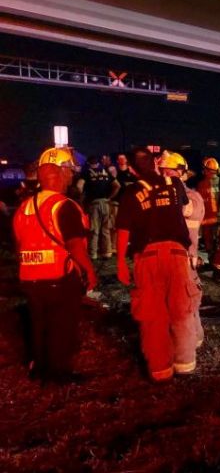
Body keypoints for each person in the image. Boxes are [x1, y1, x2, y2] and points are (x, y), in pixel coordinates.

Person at [13, 147, 97, 382]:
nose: (71, 175)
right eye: (69, 170)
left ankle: (38, 366)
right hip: (59, 276)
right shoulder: (63, 205)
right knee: (62, 326)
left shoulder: (25, 207)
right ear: (59, 173)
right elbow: (75, 246)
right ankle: (58, 373)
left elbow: (19, 244)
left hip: (30, 276)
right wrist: (89, 271)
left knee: (38, 323)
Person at [116, 147, 198, 382]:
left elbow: (123, 229)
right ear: (154, 162)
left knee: (153, 315)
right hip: (177, 254)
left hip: (147, 257)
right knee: (181, 309)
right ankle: (184, 364)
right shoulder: (175, 184)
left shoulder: (131, 193)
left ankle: (160, 370)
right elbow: (183, 209)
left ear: (131, 169)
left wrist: (121, 262)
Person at [159, 151, 205, 348]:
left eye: (168, 172)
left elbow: (183, 210)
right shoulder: (161, 194)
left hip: (185, 259)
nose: (164, 176)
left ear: (180, 173)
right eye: (162, 171)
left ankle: (191, 344)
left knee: (186, 304)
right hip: (167, 258)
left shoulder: (192, 197)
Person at [76, 155, 119, 260]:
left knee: (94, 229)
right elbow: (117, 185)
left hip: (94, 203)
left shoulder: (86, 173)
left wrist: (81, 196)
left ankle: (93, 254)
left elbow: (79, 186)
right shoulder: (105, 171)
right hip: (106, 203)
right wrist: (110, 197)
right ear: (98, 163)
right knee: (106, 229)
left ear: (89, 164)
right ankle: (107, 252)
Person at [111, 153, 137, 251]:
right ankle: (114, 247)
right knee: (115, 225)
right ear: (117, 161)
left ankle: (128, 245)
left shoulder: (131, 172)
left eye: (123, 159)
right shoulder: (115, 172)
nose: (121, 161)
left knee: (130, 226)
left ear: (126, 160)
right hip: (117, 202)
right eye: (119, 159)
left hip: (129, 203)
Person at [197, 157, 220, 257]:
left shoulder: (201, 184)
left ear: (207, 170)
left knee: (209, 242)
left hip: (207, 218)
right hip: (219, 217)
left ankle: (212, 261)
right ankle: (217, 263)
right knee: (219, 241)